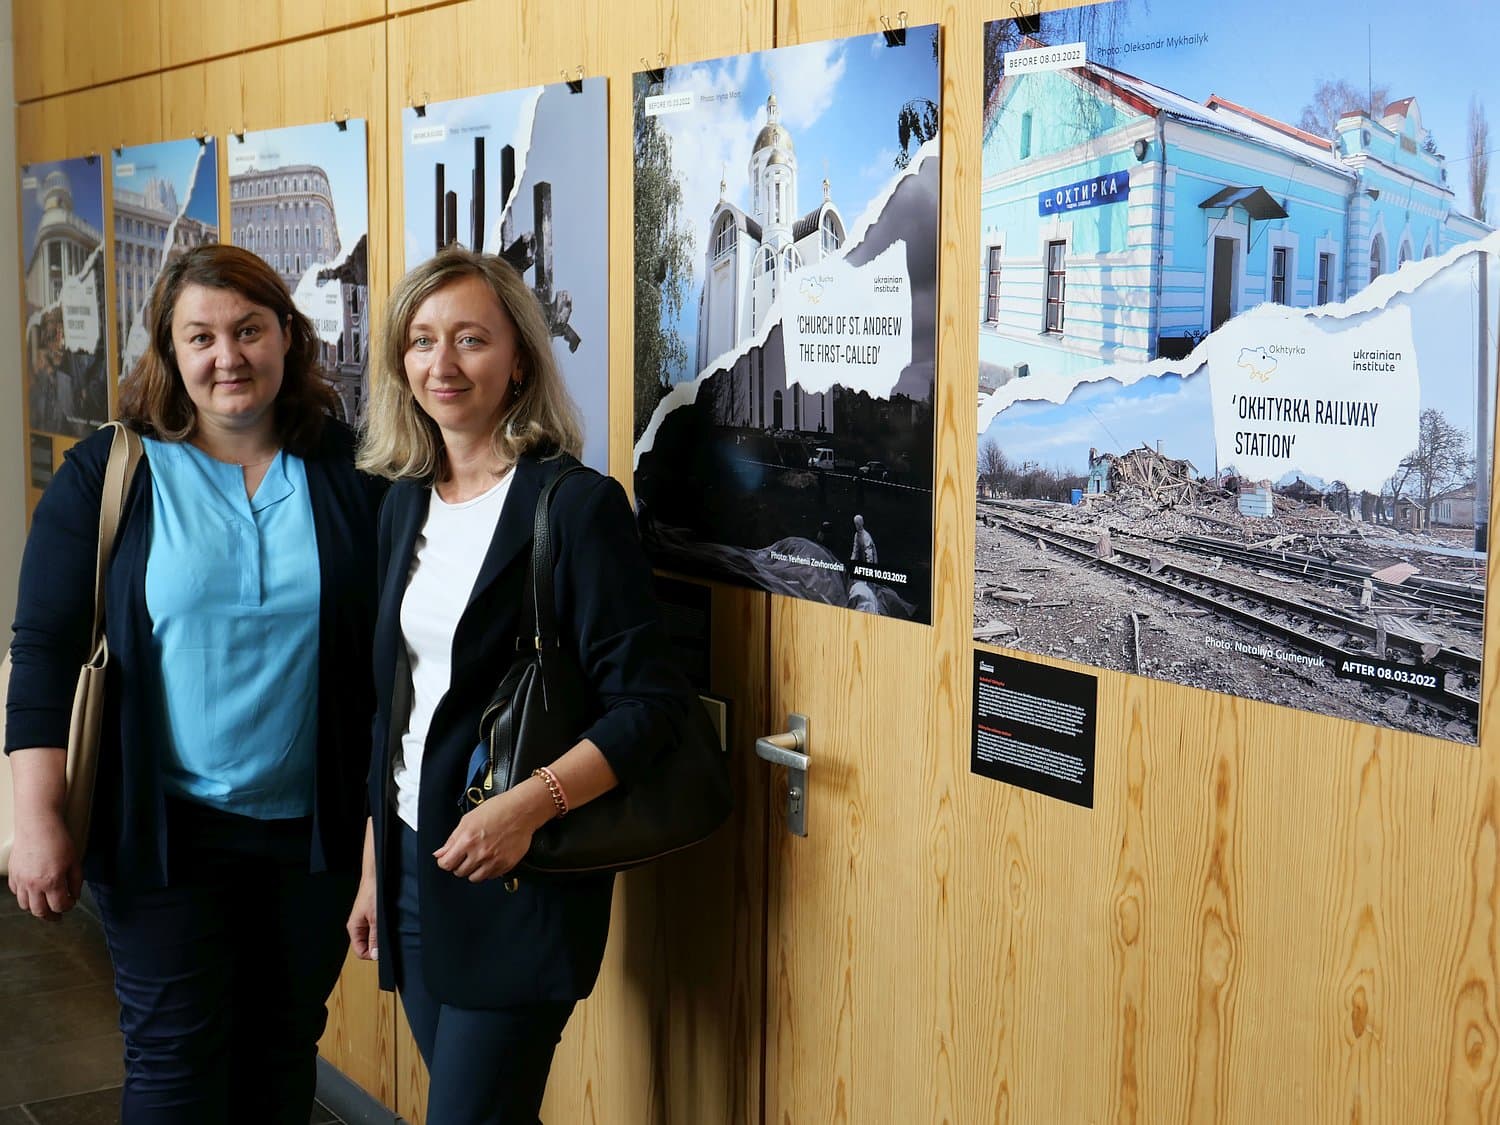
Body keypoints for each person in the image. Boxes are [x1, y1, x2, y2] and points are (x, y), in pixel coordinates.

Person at [5, 243, 386, 1125]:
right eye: (202, 336)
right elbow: (43, 650)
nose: (229, 356)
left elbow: (388, 655)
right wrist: (38, 819)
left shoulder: (348, 468)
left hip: (312, 835)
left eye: (249, 329)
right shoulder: (110, 472)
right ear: (169, 353)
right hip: (161, 834)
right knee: (176, 1071)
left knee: (280, 1056)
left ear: (288, 336)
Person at [347, 244, 688, 1124]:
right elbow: (396, 706)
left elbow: (650, 706)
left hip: (520, 876)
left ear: (520, 361)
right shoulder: (402, 502)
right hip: (418, 867)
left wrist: (525, 806)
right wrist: (375, 866)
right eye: (421, 341)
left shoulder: (573, 506)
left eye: (470, 339)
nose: (442, 364)